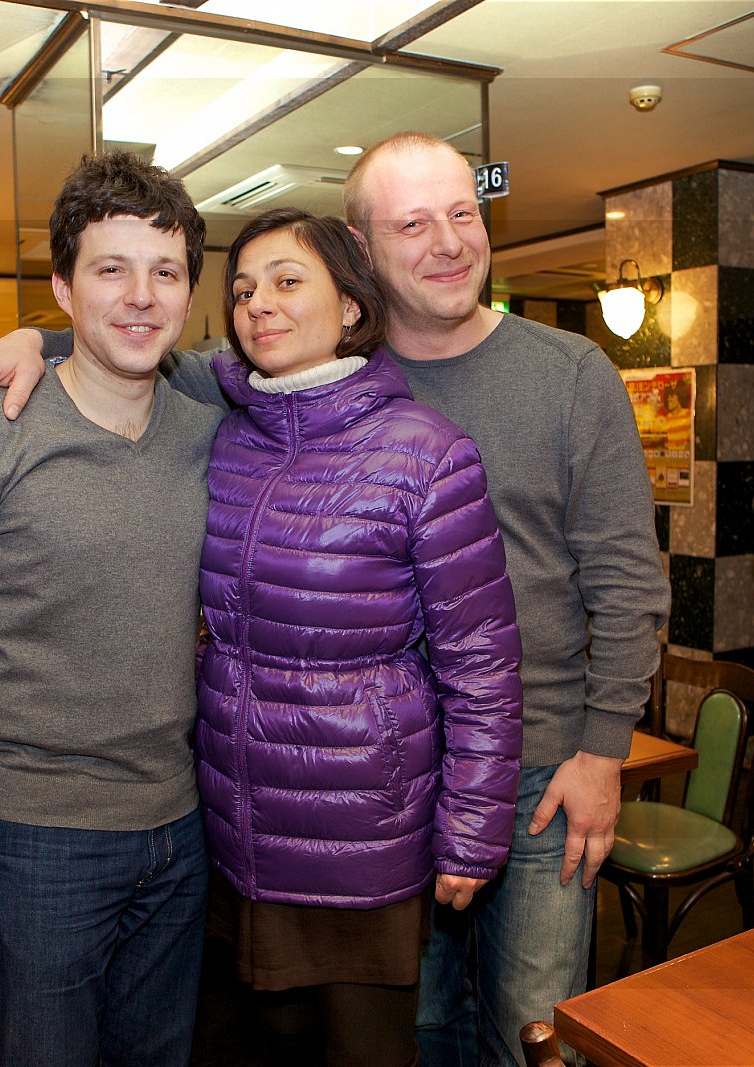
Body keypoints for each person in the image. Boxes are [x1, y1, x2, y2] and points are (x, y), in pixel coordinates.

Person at [0, 131, 670, 1067]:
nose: (447, 241)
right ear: (363, 251)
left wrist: (605, 746)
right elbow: (134, 335)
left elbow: (623, 578)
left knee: (532, 1026)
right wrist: (36, 338)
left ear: (343, 295)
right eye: (413, 223)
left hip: (537, 765)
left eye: (462, 214)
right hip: (324, 796)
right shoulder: (246, 403)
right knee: (418, 1029)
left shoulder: (561, 376)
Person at [0, 151, 224, 1066]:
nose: (140, 296)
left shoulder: (207, 425)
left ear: (189, 293)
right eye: (111, 269)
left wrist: (34, 336)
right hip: (31, 844)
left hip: (179, 833)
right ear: (63, 288)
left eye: (166, 272)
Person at [198, 206, 523, 1065]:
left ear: (350, 305)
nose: (258, 303)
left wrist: (473, 829)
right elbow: (122, 350)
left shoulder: (426, 451)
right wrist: (32, 343)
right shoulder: (228, 438)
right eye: (242, 289)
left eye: (286, 281)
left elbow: (482, 665)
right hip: (237, 831)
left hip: (361, 835)